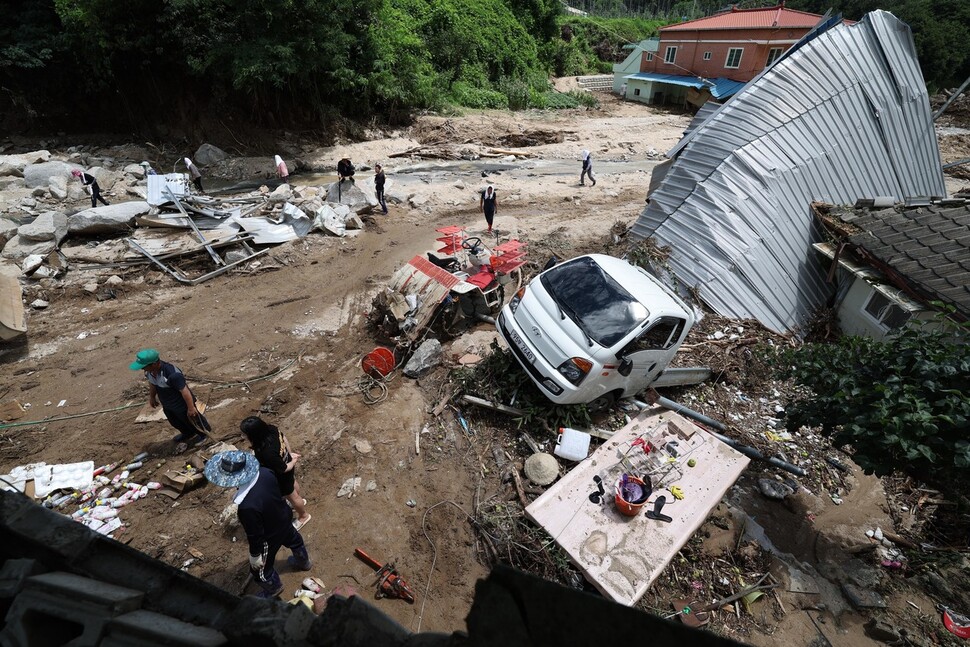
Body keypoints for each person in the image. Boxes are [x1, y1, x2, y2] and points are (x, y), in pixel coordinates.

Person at [204, 450, 312, 599]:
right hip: (284, 517)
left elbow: (255, 535)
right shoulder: (266, 472)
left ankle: (273, 588)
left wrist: (255, 555)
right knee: (294, 539)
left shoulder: (246, 507)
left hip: (269, 535)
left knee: (260, 570)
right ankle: (304, 562)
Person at [240, 416, 311, 530]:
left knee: (291, 495)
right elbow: (284, 438)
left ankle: (303, 516)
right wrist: (289, 453)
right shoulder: (272, 429)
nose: (243, 436)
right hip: (286, 464)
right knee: (292, 484)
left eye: (245, 434)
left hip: (281, 474)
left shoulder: (266, 452)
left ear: (254, 434)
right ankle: (299, 501)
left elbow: (283, 469)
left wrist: (292, 461)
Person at [129, 348, 210, 448]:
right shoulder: (149, 372)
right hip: (167, 403)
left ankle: (204, 434)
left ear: (154, 364)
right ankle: (187, 433)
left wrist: (191, 408)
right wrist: (152, 397)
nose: (142, 369)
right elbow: (152, 383)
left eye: (144, 366)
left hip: (181, 403)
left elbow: (185, 391)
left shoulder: (172, 374)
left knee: (192, 419)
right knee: (175, 421)